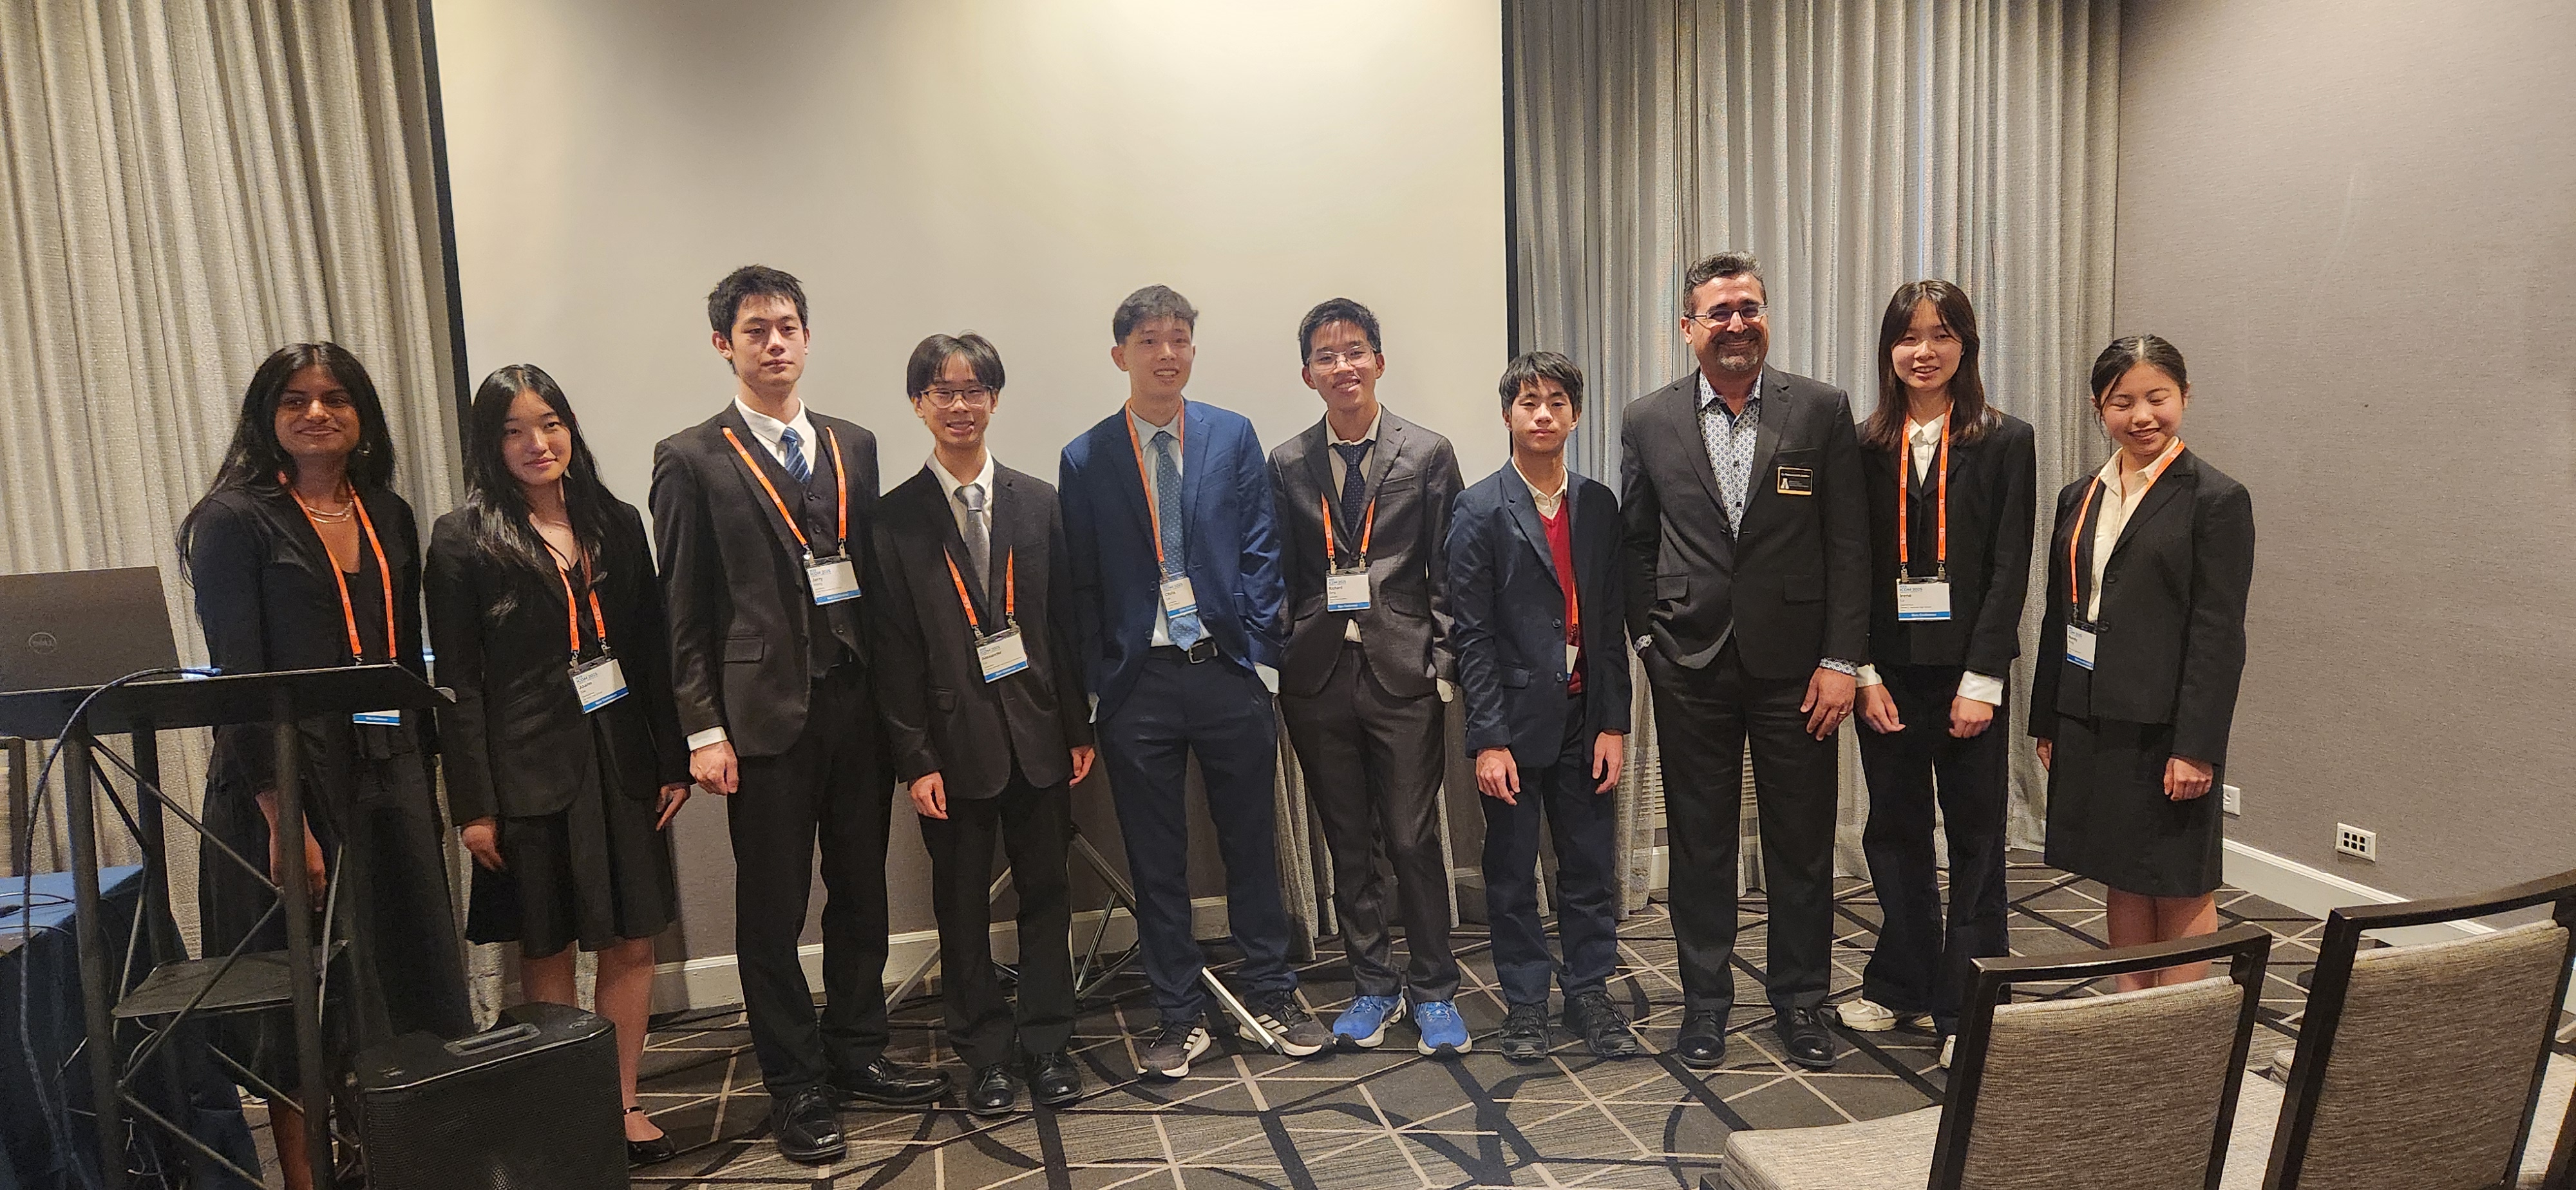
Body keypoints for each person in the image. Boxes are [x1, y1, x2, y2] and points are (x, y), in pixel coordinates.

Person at [649, 265, 944, 1165]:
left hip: (856, 706)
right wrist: (703, 729)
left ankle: (858, 1048)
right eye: (755, 331)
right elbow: (682, 609)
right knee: (772, 910)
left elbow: (872, 584)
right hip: (762, 718)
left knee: (860, 890)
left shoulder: (854, 444)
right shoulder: (690, 458)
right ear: (723, 345)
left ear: (806, 338)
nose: (774, 343)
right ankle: (795, 1081)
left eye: (786, 328)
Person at [178, 343, 471, 1190]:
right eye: (295, 400)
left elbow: (401, 659)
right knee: (304, 1002)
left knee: (401, 978)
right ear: (266, 417)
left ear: (362, 415)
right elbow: (240, 683)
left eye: (335, 398)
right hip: (286, 780)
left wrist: (424, 781)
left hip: (386, 770)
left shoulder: (389, 514)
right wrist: (283, 818)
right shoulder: (234, 520)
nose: (317, 413)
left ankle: (392, 1164)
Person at [1057, 284, 1331, 1079]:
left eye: (1178, 338)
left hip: (1225, 672)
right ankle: (1177, 1013)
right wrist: (1099, 684)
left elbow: (1261, 549)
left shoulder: (1230, 434)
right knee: (1156, 859)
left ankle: (1272, 994)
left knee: (1250, 845)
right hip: (1137, 685)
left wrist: (1257, 654)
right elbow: (1081, 582)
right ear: (1121, 355)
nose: (1166, 353)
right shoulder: (1085, 457)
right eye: (1149, 340)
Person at [425, 364, 690, 1164]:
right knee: (547, 946)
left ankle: (622, 1101)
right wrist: (473, 805)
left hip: (623, 762)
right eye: (513, 430)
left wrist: (673, 757)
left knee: (632, 942)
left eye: (549, 423)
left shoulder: (617, 521)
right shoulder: (462, 538)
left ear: (569, 428)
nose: (536, 443)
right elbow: (458, 684)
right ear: (489, 444)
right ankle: (565, 1112)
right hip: (526, 772)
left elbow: (650, 649)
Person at [1618, 250, 1870, 1072]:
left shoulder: (1820, 409)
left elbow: (1848, 544)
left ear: (1765, 317)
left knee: (1802, 843)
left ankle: (1800, 1001)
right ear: (1687, 327)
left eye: (1749, 308)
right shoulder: (1647, 419)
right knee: (1700, 845)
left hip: (1800, 671)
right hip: (1689, 662)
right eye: (1719, 312)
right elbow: (1635, 542)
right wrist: (1649, 642)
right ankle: (1705, 1004)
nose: (1736, 324)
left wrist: (1842, 659)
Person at [866, 334, 1093, 1117]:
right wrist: (913, 757)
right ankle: (986, 1054)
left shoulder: (1039, 502)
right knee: (961, 907)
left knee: (1047, 894)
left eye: (973, 391)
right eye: (942, 391)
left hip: (1040, 739)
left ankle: (1049, 1041)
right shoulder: (892, 519)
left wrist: (1078, 728)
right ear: (918, 404)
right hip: (950, 749)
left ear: (993, 400)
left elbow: (1062, 626)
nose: (959, 406)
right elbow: (893, 652)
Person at [1265, 298, 1469, 1055]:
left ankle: (1435, 989)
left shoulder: (1428, 452)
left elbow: (1449, 566)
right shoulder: (1287, 462)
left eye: (1355, 351)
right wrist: (1284, 652)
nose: (1342, 365)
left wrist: (1442, 664)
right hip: (1317, 677)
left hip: (1404, 672)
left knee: (1412, 840)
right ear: (1308, 375)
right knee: (1348, 842)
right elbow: (1281, 572)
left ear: (1378, 362)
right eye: (1326, 356)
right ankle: (1373, 986)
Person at [1842, 283, 2037, 1069]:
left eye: (1941, 334)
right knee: (1893, 833)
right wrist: (1860, 672)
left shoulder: (2005, 439)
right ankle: (1902, 984)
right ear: (1888, 349)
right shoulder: (1862, 444)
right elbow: (1851, 565)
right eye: (1908, 336)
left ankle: (1969, 1004)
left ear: (1966, 345)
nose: (1923, 351)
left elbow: (2009, 566)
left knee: (1976, 839)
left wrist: (1982, 680)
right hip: (1886, 677)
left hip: (1968, 677)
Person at [2031, 335, 2253, 992]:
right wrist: (2049, 717)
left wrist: (2197, 748)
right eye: (2121, 402)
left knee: (2179, 881)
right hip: (2092, 717)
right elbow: (2059, 612)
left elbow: (2218, 634)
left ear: (2184, 396)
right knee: (2121, 873)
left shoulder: (2215, 498)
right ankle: (2131, 1014)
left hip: (2167, 727)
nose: (2141, 416)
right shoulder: (2080, 495)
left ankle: (2182, 1029)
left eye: (2157, 398)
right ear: (2099, 409)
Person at [1449, 352, 1636, 1062]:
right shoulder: (1478, 508)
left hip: (1586, 717)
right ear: (1507, 416)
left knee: (1588, 866)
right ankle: (1526, 1001)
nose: (1543, 414)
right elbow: (1471, 635)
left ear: (1575, 415)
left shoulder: (1598, 505)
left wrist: (1614, 723)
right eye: (1528, 403)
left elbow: (1610, 621)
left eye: (1557, 402)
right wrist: (1487, 739)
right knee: (1511, 872)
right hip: (1514, 724)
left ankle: (1590, 992)